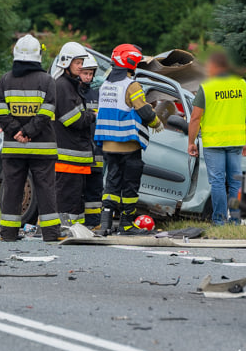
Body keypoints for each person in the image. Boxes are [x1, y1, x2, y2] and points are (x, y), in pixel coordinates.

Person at [0, 35, 61, 242]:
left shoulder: (5, 80)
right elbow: (47, 111)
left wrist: (16, 132)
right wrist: (29, 131)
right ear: (38, 56)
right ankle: (50, 234)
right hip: (42, 147)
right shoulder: (47, 81)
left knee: (13, 190)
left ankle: (8, 233)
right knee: (46, 190)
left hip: (14, 147)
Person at [94, 45, 163, 235]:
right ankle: (126, 225)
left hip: (108, 144)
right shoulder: (131, 85)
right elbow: (144, 110)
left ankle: (105, 225)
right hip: (128, 144)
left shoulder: (105, 85)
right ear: (131, 63)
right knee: (130, 185)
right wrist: (156, 123)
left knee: (111, 184)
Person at [187, 52, 246, 226]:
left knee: (217, 182)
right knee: (235, 183)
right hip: (235, 142)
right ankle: (235, 220)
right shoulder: (243, 85)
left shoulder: (207, 87)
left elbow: (195, 118)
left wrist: (191, 142)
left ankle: (219, 220)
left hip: (214, 143)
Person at [51, 42, 96, 225]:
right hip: (67, 154)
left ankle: (74, 227)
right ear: (66, 62)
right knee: (66, 195)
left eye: (81, 62)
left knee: (75, 196)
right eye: (77, 62)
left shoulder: (70, 85)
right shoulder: (62, 85)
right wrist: (90, 116)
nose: (81, 66)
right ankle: (63, 227)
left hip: (75, 154)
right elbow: (71, 119)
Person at [79, 54, 103, 228]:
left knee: (95, 190)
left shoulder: (97, 93)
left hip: (96, 151)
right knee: (77, 189)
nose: (88, 77)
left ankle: (93, 224)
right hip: (79, 150)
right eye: (85, 73)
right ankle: (79, 223)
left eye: (90, 73)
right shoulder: (73, 92)